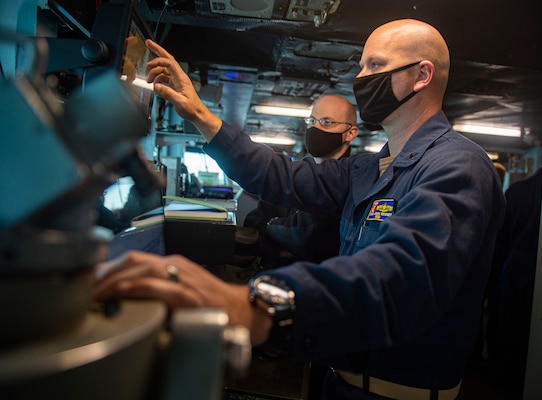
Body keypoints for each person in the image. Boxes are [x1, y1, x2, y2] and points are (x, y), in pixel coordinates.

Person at [94, 19, 505, 400]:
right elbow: (281, 177)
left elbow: (404, 275)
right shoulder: (372, 168)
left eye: (376, 65)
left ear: (422, 75)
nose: (360, 79)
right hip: (338, 381)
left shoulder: (457, 166)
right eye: (361, 67)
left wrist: (254, 306)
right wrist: (201, 115)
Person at [243, 94, 358, 268]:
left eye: (327, 122)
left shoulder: (354, 181)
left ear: (350, 133)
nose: (315, 128)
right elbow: (254, 224)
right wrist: (274, 247)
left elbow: (310, 242)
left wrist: (270, 231)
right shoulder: (293, 173)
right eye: (312, 120)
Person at [490, 152, 542, 396]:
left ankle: (505, 384)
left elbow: (499, 241)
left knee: (511, 332)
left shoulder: (516, 192)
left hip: (514, 273)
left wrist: (492, 283)